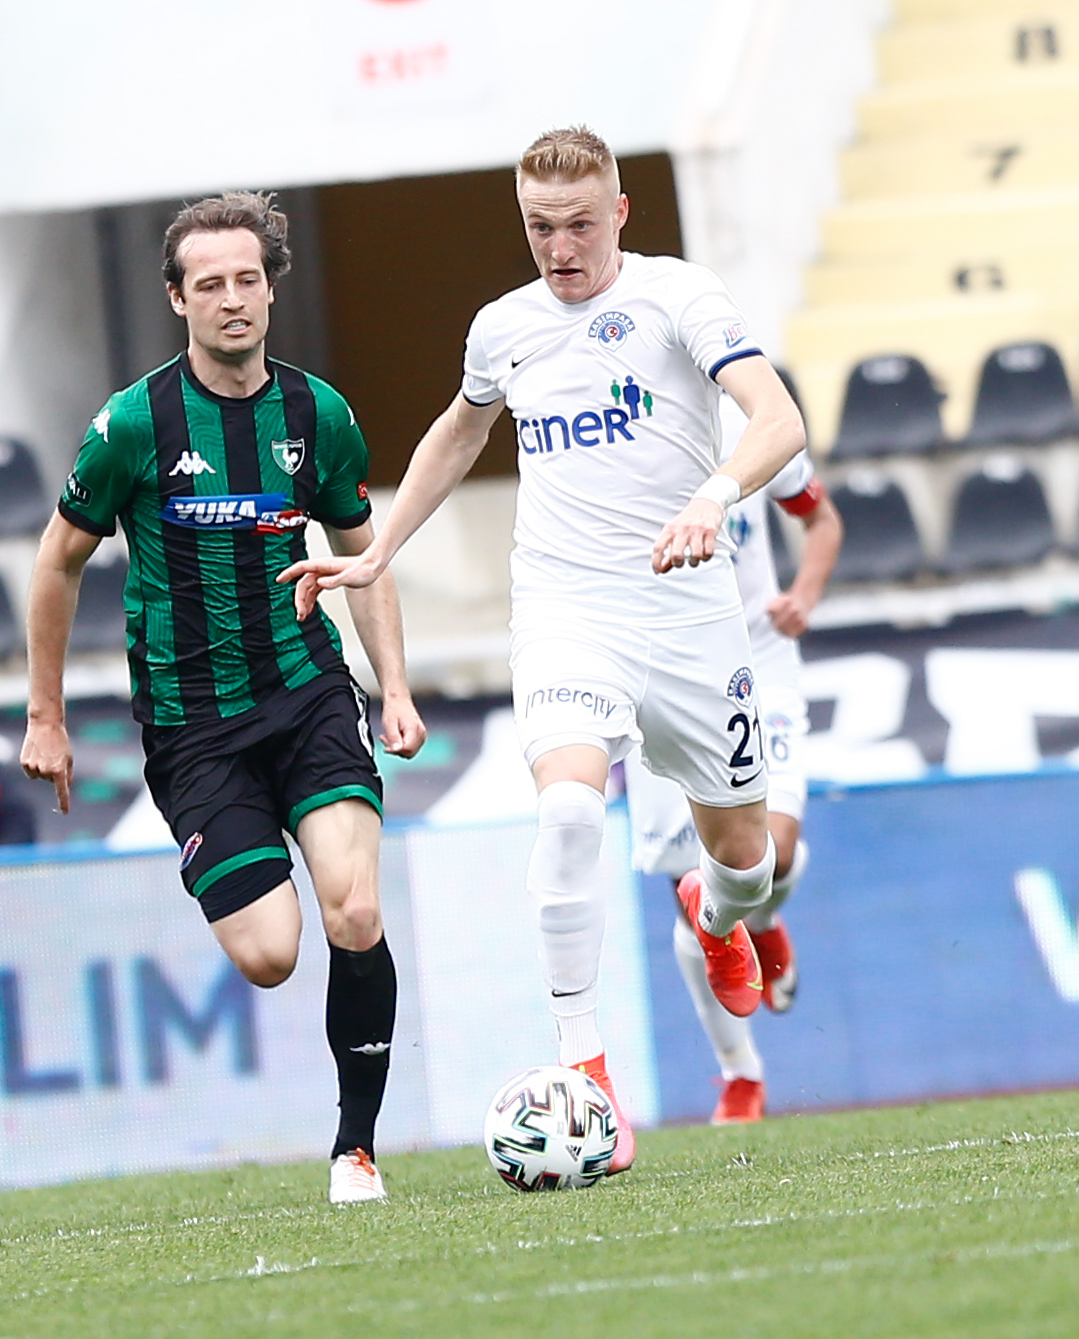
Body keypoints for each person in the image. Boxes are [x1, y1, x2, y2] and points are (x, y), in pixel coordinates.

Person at [284, 126, 808, 1172]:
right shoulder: (504, 328)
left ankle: (716, 914)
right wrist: (377, 547)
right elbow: (459, 430)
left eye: (577, 224)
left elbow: (777, 419)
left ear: (619, 213)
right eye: (538, 228)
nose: (559, 248)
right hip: (568, 608)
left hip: (691, 613)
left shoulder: (679, 297)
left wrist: (712, 498)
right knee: (569, 807)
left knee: (749, 865)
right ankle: (587, 1070)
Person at [19, 192, 426, 1205]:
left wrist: (394, 687)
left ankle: (356, 1149)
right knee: (269, 954)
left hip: (307, 691)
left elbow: (360, 556)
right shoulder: (132, 423)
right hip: (192, 724)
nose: (232, 299)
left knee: (355, 907)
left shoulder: (318, 415)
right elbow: (57, 561)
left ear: (271, 289)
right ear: (178, 298)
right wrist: (46, 715)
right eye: (210, 284)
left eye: (248, 279)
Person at [627, 420, 842, 1124]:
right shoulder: (619, 434)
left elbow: (822, 521)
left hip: (758, 664)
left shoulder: (752, 429)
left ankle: (767, 915)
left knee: (770, 851)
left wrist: (804, 594)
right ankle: (740, 1073)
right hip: (661, 678)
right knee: (689, 894)